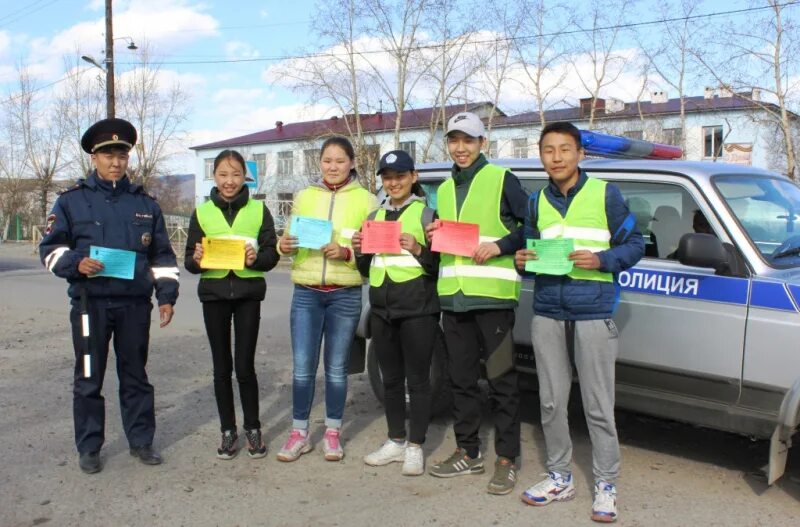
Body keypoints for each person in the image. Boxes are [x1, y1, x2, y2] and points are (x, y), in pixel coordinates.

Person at [514, 121, 644, 523]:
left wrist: (602, 260)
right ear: (541, 155)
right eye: (549, 150)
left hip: (593, 312)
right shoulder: (536, 202)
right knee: (551, 402)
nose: (557, 157)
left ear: (580, 154)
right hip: (549, 312)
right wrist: (523, 263)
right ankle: (559, 476)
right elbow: (533, 255)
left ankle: (606, 484)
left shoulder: (606, 194)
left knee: (598, 406)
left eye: (565, 149)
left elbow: (636, 244)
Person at [39, 118, 179, 474]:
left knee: (135, 376)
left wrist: (167, 296)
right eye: (107, 154)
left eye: (121, 154)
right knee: (88, 377)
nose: (115, 162)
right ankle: (89, 447)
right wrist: (75, 263)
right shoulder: (71, 202)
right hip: (91, 306)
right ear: (94, 158)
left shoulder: (146, 204)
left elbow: (161, 257)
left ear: (127, 158)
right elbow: (50, 250)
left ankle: (141, 441)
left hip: (134, 305)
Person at [426, 112, 530, 495]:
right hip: (454, 301)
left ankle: (506, 459)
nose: (460, 148)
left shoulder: (503, 179)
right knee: (462, 382)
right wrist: (432, 231)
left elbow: (531, 224)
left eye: (468, 141)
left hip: (493, 299)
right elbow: (447, 236)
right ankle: (468, 453)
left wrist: (501, 246)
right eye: (454, 141)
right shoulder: (446, 188)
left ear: (482, 143)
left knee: (502, 380)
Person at [275, 136, 378, 462]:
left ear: (351, 163)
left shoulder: (367, 200)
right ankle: (299, 433)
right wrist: (284, 246)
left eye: (340, 161)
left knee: (336, 369)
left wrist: (346, 252)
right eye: (327, 161)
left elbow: (371, 252)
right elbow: (289, 238)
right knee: (303, 369)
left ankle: (333, 433)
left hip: (344, 293)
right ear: (319, 163)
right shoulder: (305, 196)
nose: (333, 167)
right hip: (306, 291)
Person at [184, 149, 279, 460]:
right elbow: (189, 261)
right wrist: (197, 260)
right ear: (214, 176)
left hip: (248, 294)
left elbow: (271, 255)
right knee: (221, 368)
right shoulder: (201, 213)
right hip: (214, 295)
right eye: (223, 175)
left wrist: (257, 258)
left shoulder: (258, 210)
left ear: (245, 176)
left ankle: (253, 427)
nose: (229, 181)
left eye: (236, 174)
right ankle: (228, 430)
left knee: (244, 366)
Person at [352, 150, 440, 476]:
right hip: (382, 310)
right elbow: (365, 266)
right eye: (388, 177)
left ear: (413, 177)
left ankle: (416, 446)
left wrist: (418, 248)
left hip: (418, 309)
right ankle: (395, 440)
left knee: (418, 381)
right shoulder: (374, 217)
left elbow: (438, 265)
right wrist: (359, 248)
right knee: (391, 380)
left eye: (400, 176)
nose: (394, 182)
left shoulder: (428, 215)